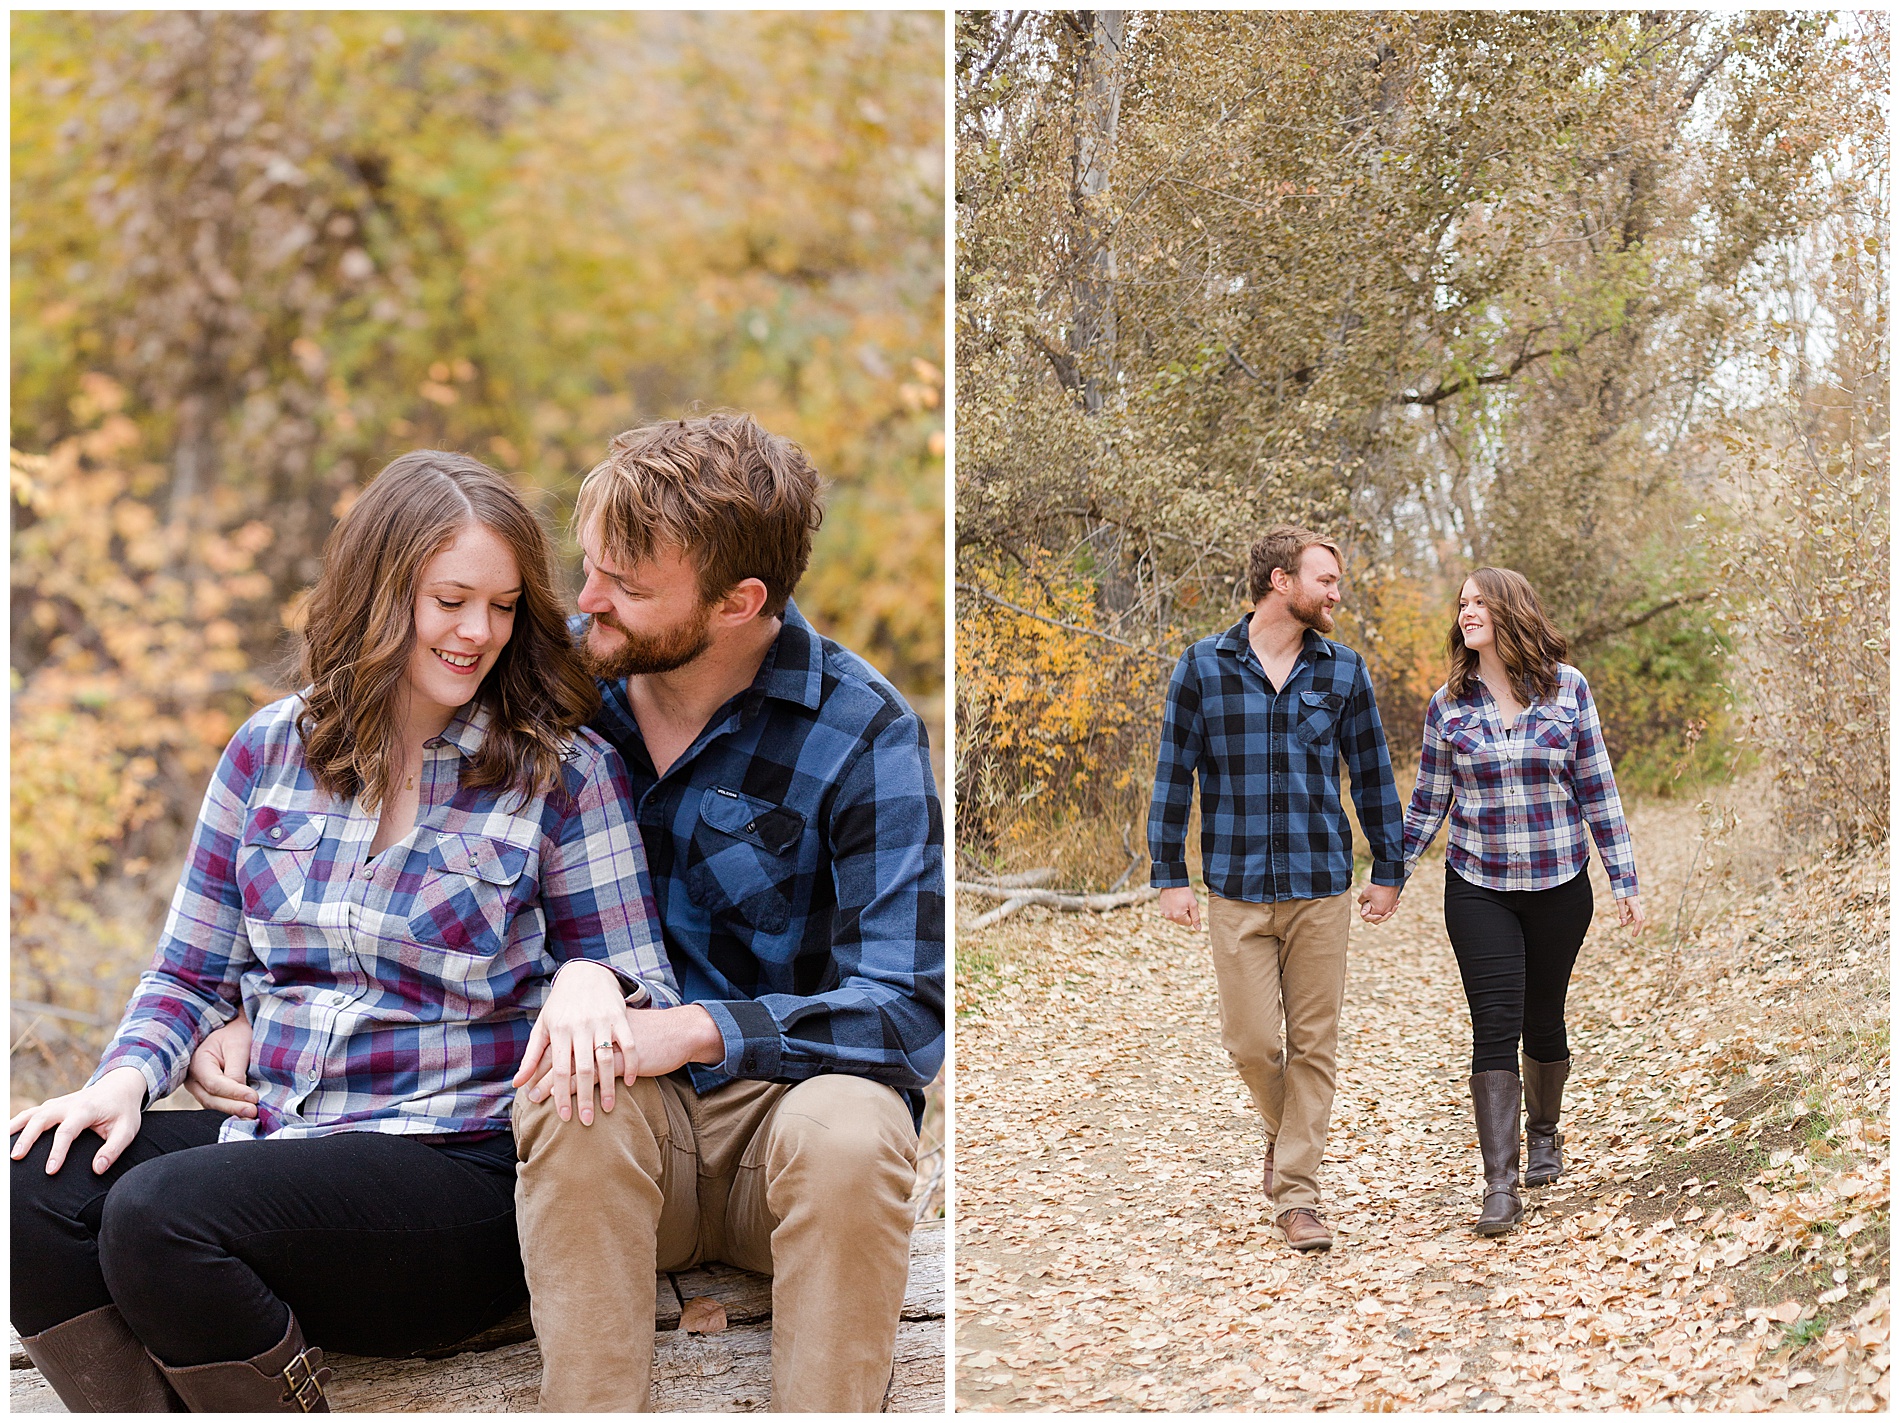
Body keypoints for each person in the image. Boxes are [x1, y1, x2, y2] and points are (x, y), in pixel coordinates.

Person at [189, 415, 945, 1409]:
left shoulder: (862, 728)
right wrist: (261, 1003)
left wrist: (688, 1029)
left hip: (791, 1132)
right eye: (590, 568)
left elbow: (907, 1008)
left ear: (737, 601)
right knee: (568, 1083)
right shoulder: (557, 695)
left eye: (626, 586)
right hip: (619, 1138)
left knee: (853, 1128)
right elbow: (389, 854)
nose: (586, 603)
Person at [10, 451, 679, 1413]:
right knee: (36, 1183)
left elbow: (637, 977)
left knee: (161, 1217)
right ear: (378, 589)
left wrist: (595, 981)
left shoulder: (559, 773)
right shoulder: (269, 753)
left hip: (459, 1171)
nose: (478, 632)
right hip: (279, 1135)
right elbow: (189, 972)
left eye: (500, 606)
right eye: (450, 600)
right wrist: (123, 1079)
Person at [1149, 526, 1406, 1255]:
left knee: (1315, 1044)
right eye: (1325, 579)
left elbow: (1374, 775)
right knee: (1254, 1041)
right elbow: (1174, 774)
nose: (1336, 592)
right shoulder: (1202, 667)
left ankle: (1297, 1194)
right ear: (1278, 580)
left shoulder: (1343, 671)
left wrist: (1389, 867)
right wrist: (1168, 871)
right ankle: (1284, 1128)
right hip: (1235, 884)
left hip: (1321, 883)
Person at [1401, 567, 1645, 1236]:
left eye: (1480, 600)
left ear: (1511, 609)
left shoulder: (1569, 690)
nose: (1467, 610)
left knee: (1544, 1016)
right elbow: (1428, 803)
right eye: (1462, 603)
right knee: (1494, 1022)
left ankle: (1544, 1132)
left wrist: (1624, 880)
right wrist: (1388, 872)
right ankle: (1500, 1185)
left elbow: (1598, 788)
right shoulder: (1447, 704)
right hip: (1478, 884)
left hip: (1560, 884)